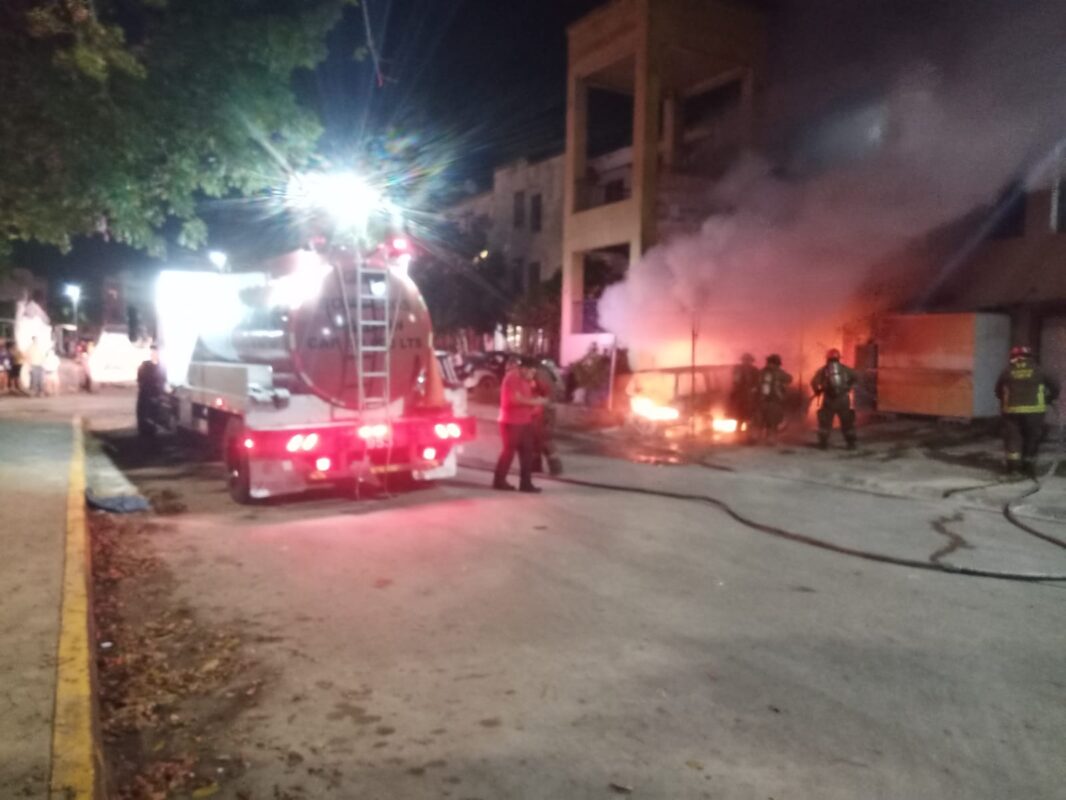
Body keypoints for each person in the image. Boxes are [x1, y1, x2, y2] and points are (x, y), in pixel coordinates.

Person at [995, 345, 1060, 478]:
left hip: (1011, 412)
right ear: (1030, 357)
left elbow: (997, 391)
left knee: (1013, 439)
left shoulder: (1007, 371)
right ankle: (1028, 468)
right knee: (1032, 438)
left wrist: (1006, 401)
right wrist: (1048, 398)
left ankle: (1013, 470)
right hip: (1034, 412)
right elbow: (1055, 386)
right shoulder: (1039, 370)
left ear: (1013, 357)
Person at [493, 355, 547, 493]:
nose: (533, 375)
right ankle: (499, 481)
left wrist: (534, 407)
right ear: (523, 369)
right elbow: (514, 399)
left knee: (527, 453)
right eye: (532, 372)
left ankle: (526, 483)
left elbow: (527, 399)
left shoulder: (525, 380)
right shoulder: (512, 378)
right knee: (508, 452)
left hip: (525, 421)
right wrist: (536, 402)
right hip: (511, 422)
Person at [810, 348, 857, 450]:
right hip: (843, 400)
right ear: (839, 358)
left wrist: (817, 391)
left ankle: (823, 444)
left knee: (825, 424)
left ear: (827, 358)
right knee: (847, 423)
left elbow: (813, 382)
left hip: (829, 401)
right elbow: (856, 377)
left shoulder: (823, 370)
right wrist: (849, 387)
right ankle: (851, 444)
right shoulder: (845, 369)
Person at [531, 359, 564, 476]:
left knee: (546, 438)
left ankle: (556, 467)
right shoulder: (542, 372)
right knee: (535, 438)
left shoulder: (541, 374)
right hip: (541, 410)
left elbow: (549, 394)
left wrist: (538, 401)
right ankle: (535, 465)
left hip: (545, 411)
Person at [753, 354, 792, 444]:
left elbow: (755, 384)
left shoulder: (761, 372)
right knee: (773, 421)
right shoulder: (779, 372)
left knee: (760, 420)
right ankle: (770, 439)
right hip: (774, 401)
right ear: (777, 363)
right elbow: (789, 379)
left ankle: (755, 437)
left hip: (761, 401)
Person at [136, 345, 168, 437]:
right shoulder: (145, 365)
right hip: (146, 395)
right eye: (153, 352)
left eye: (156, 352)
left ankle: (152, 431)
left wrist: (160, 393)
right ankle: (145, 433)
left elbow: (163, 380)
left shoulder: (162, 366)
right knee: (144, 415)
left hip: (156, 395)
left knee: (154, 415)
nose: (154, 354)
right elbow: (140, 380)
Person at [730, 353, 760, 436]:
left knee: (748, 417)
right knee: (741, 417)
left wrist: (754, 390)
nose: (746, 362)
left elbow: (758, 383)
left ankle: (746, 434)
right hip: (742, 397)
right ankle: (740, 434)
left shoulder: (754, 370)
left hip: (749, 397)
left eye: (748, 361)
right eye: (745, 360)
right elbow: (736, 381)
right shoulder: (738, 369)